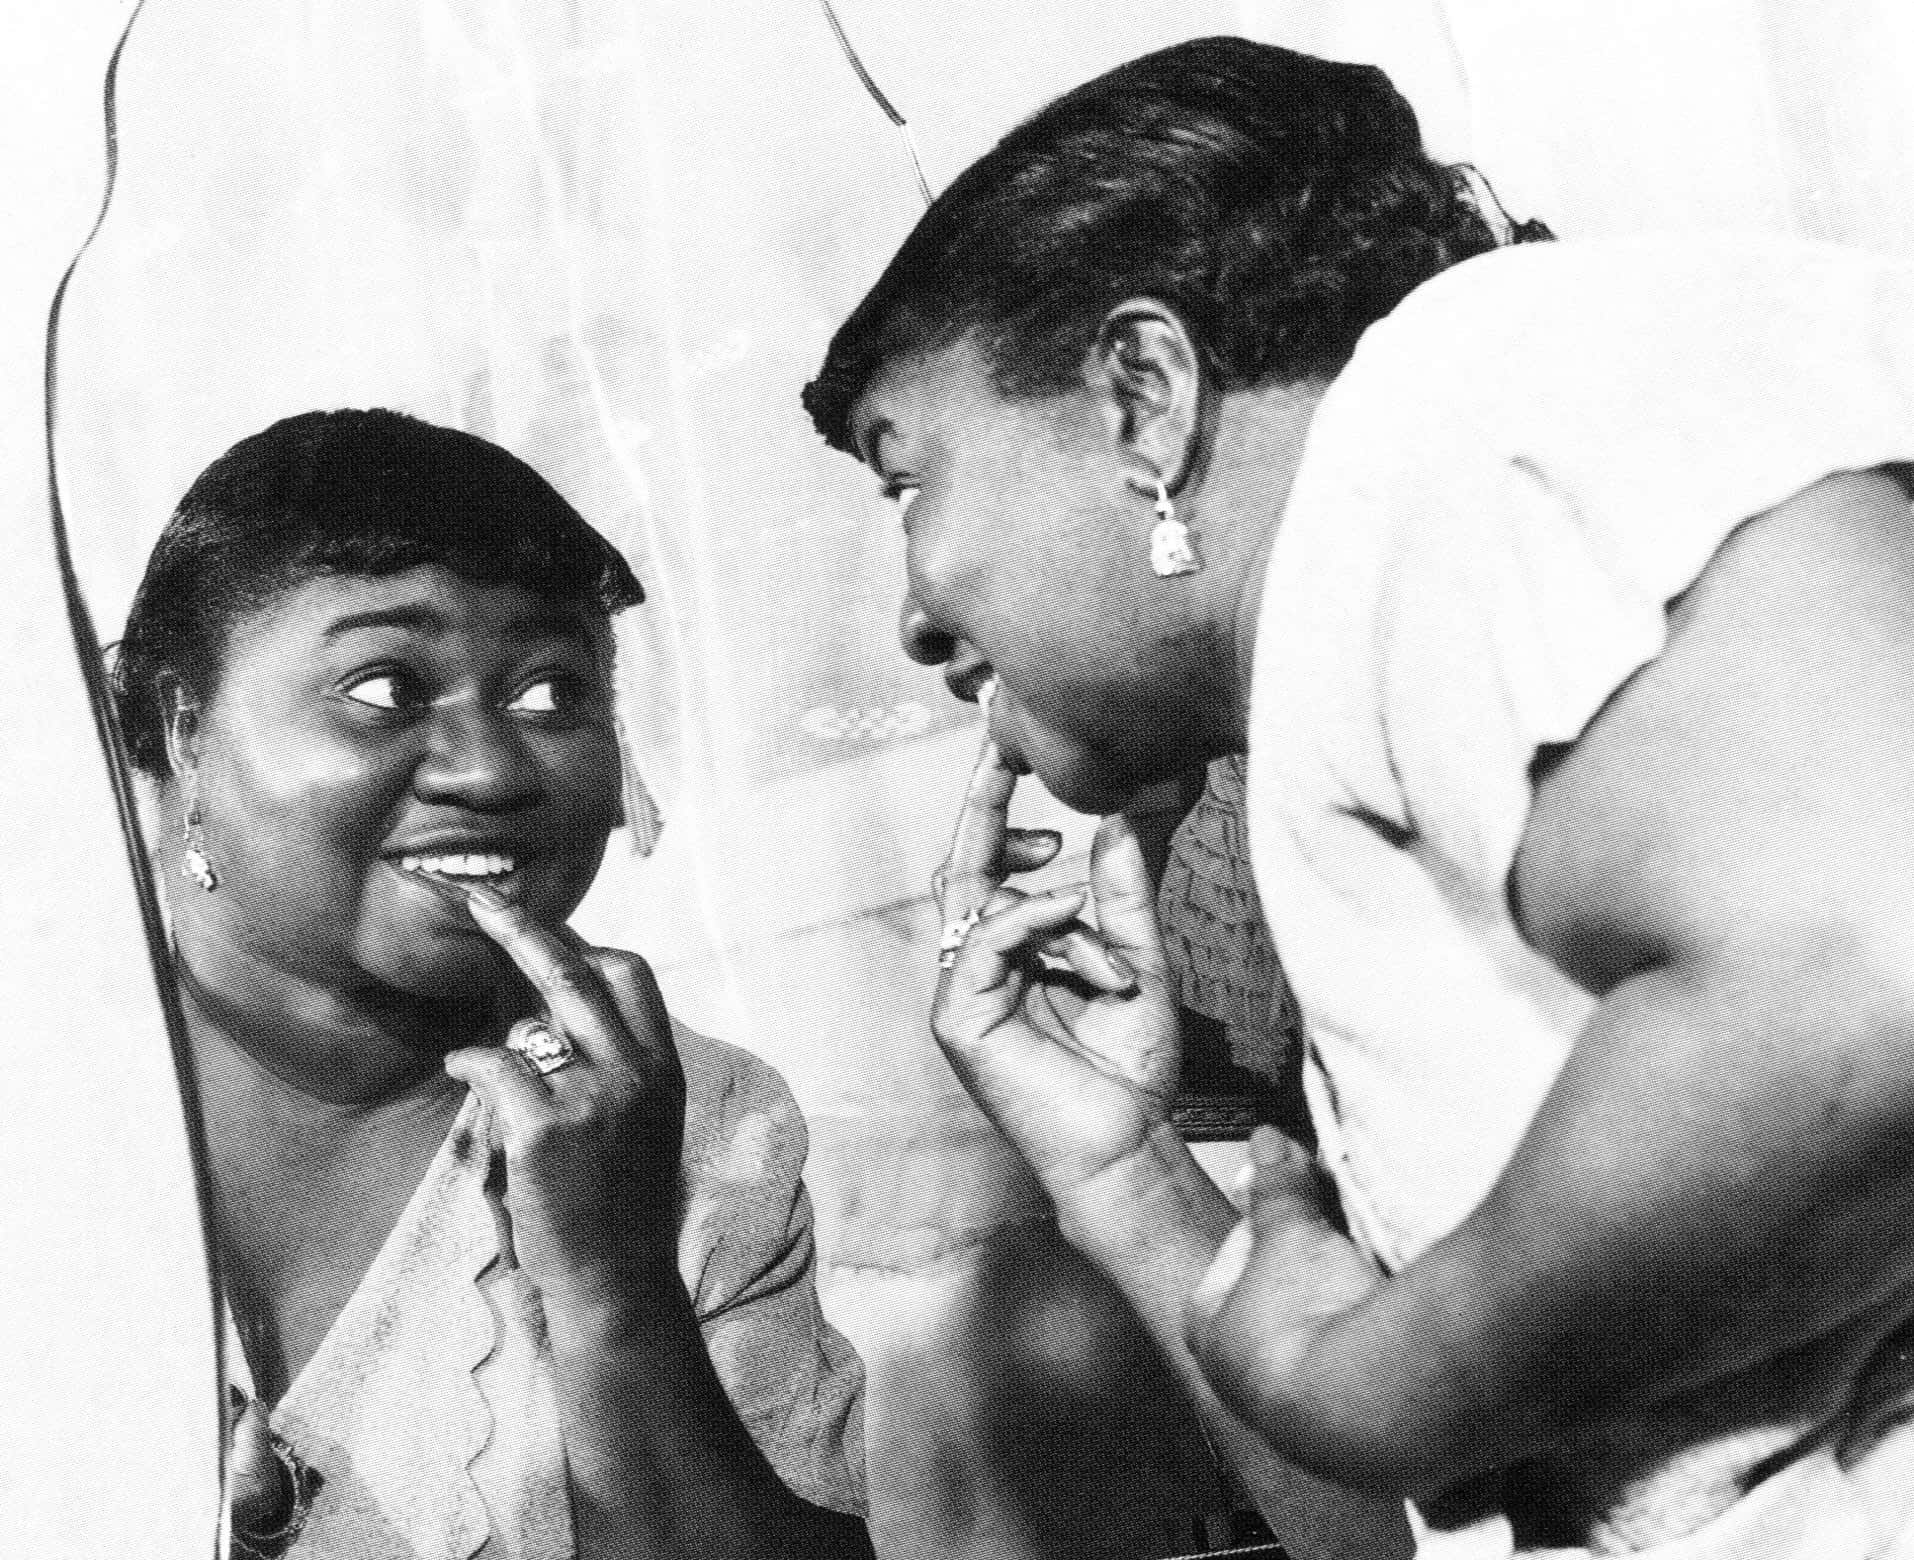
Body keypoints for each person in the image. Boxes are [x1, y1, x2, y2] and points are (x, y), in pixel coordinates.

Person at [802, 33, 1914, 1560]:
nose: (914, 618)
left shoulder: (1461, 404)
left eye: (904, 480)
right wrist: (1120, 1174)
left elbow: (1877, 975)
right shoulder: (1402, 619)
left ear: (1143, 394)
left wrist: (1377, 1380)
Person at [112, 408, 871, 1559]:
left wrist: (615, 1292)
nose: (489, 771)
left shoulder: (699, 1122)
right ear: (186, 730)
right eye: (384, 688)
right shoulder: (43, 1098)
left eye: (552, 695)